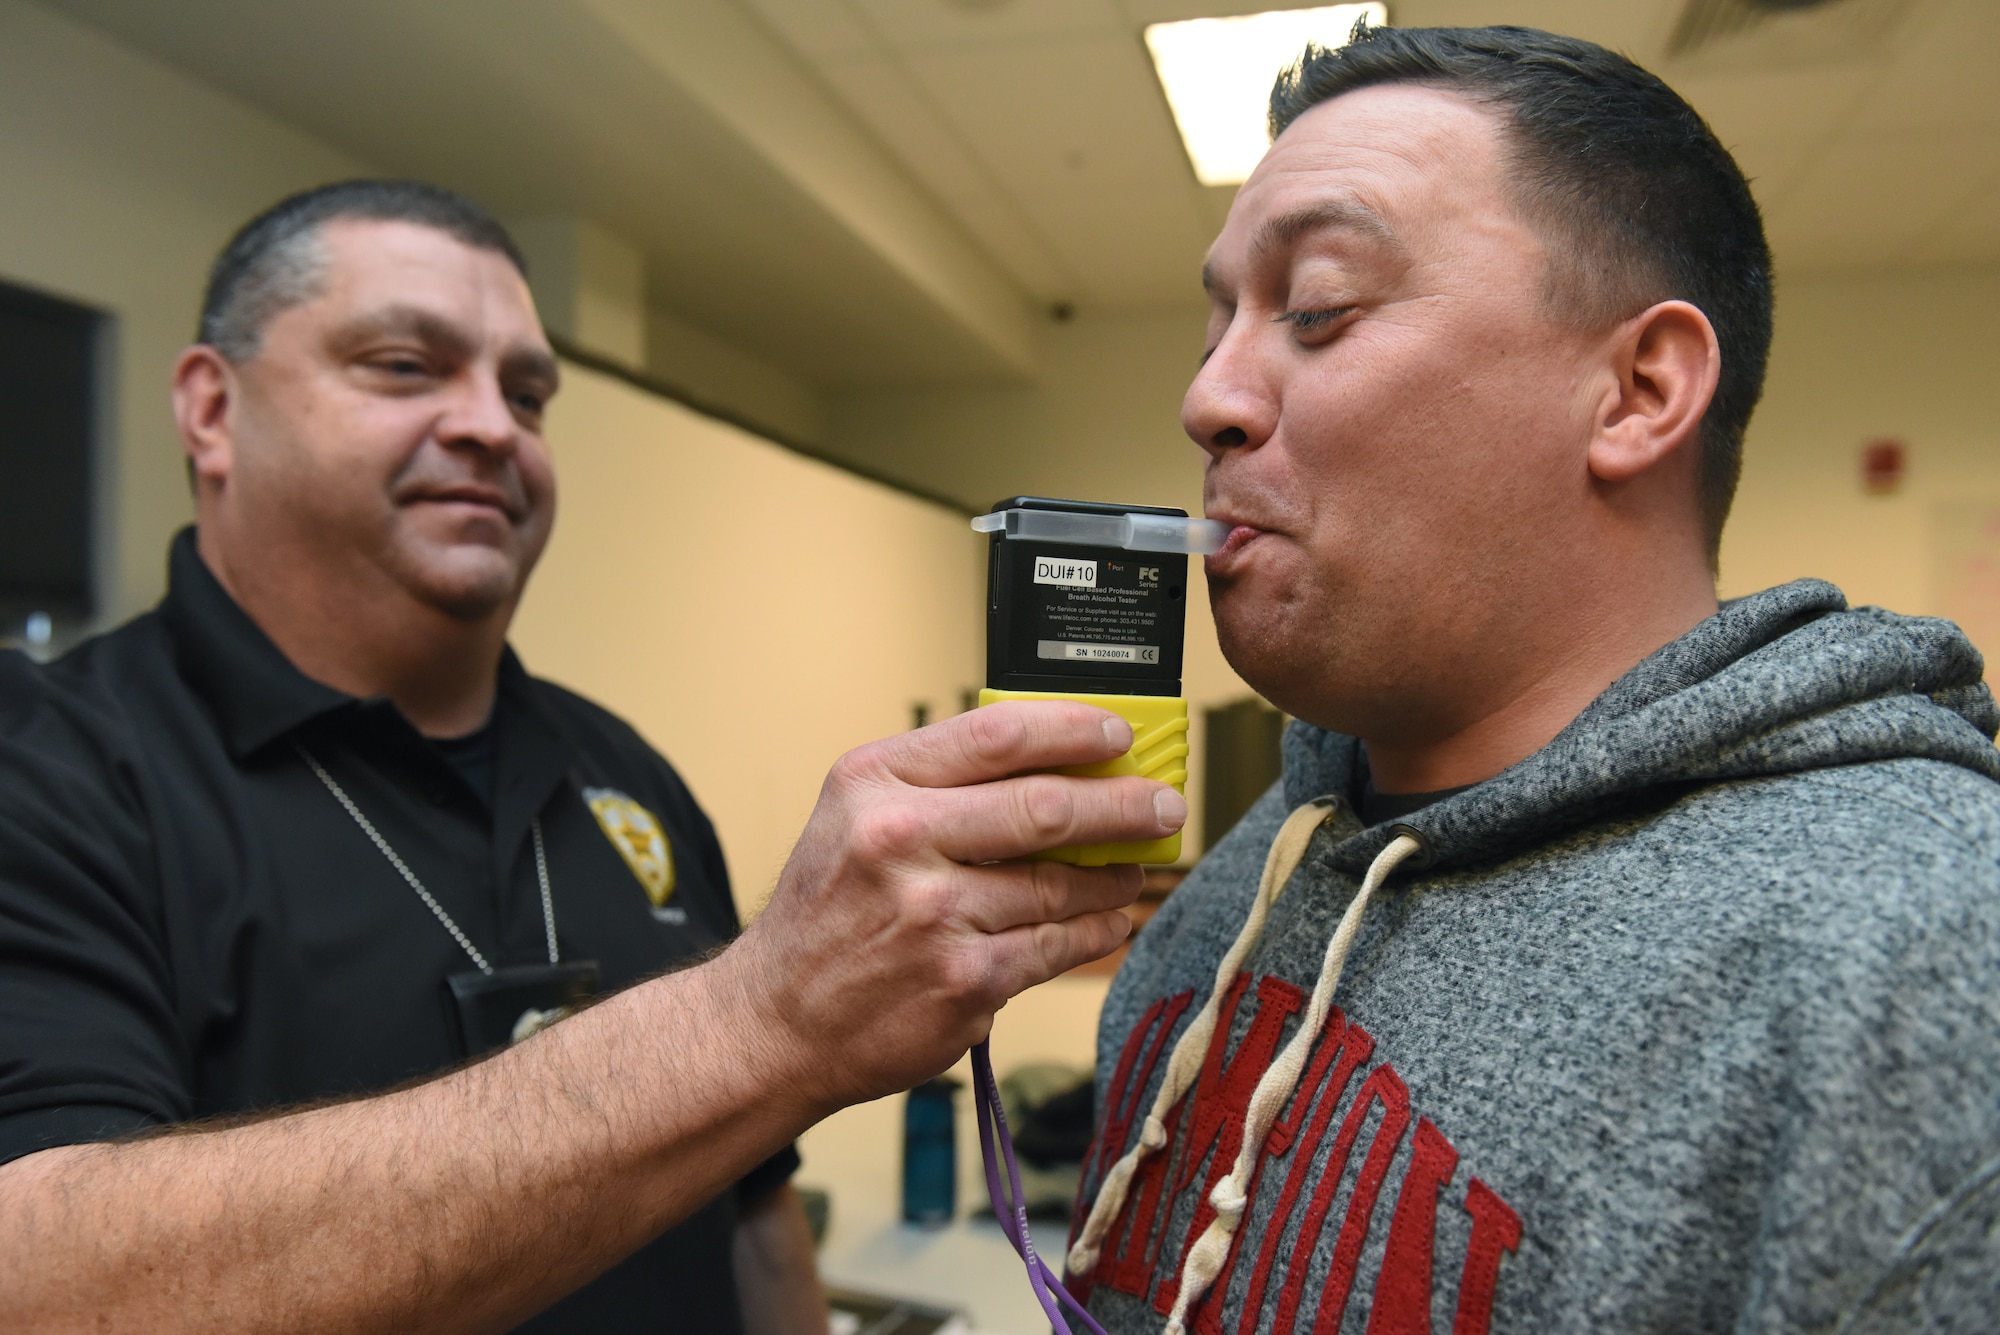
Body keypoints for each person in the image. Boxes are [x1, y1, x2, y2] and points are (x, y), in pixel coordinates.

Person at [0, 180, 1190, 1332]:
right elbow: (43, 1289)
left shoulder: (622, 770)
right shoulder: (50, 774)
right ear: (211, 409)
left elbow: (753, 1212)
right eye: (404, 366)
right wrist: (759, 1019)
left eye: (525, 394)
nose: (488, 426)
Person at [1063, 25, 2000, 1335]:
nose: (1208, 396)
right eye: (1219, 321)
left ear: (1634, 390)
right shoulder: (1258, 865)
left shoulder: (1931, 954)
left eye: (1318, 306)